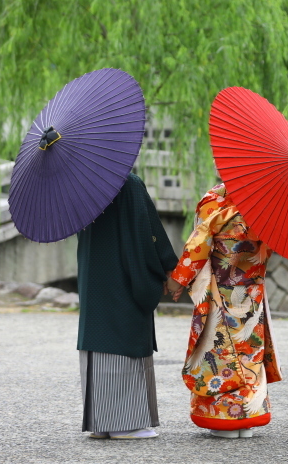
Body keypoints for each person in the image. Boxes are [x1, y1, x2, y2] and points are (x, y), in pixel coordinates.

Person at [165, 183, 281, 439]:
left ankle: (224, 417)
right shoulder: (271, 205)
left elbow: (198, 248)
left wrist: (178, 280)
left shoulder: (218, 203)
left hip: (222, 290)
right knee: (250, 353)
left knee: (219, 354)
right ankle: (248, 417)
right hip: (252, 292)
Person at [76, 172, 178, 440]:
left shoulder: (80, 183)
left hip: (94, 275)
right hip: (122, 273)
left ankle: (101, 421)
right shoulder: (126, 182)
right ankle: (125, 423)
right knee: (125, 329)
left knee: (98, 333)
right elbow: (147, 233)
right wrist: (168, 267)